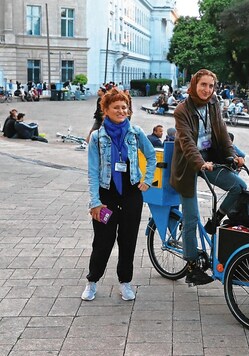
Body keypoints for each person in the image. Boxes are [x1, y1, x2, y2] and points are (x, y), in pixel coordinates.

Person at [169, 69, 246, 286]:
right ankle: (192, 267)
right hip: (188, 163)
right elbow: (186, 141)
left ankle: (215, 221)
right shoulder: (182, 110)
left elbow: (222, 133)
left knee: (239, 186)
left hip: (210, 158)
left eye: (211, 86)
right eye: (203, 85)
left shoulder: (213, 104)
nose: (207, 90)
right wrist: (199, 163)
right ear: (194, 84)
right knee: (191, 217)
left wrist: (232, 156)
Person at [82, 88, 156, 301]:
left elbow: (151, 156)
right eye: (116, 107)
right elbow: (93, 172)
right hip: (106, 196)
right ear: (105, 109)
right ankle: (92, 281)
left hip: (131, 195)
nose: (121, 111)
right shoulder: (97, 137)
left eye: (124, 107)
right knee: (102, 242)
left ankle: (125, 282)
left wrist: (147, 181)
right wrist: (95, 202)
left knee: (128, 241)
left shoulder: (136, 132)